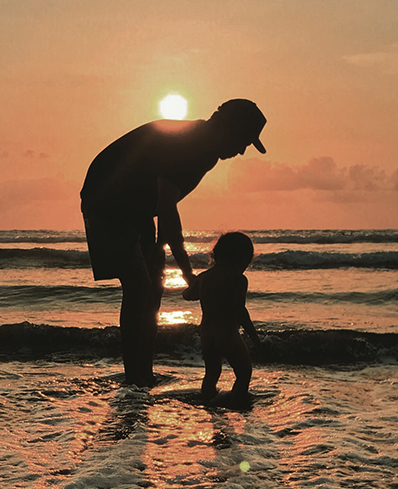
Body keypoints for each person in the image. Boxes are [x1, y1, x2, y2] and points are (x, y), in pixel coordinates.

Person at [80, 98, 267, 386]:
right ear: (227, 128)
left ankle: (145, 373)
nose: (242, 151)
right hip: (106, 200)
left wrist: (160, 249)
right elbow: (167, 208)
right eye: (243, 140)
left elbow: (165, 201)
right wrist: (187, 272)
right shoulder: (189, 143)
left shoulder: (207, 154)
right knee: (138, 285)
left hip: (138, 208)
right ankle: (133, 379)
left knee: (154, 284)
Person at [182, 232, 259, 405]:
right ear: (242, 258)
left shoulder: (204, 277)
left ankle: (208, 403)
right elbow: (239, 310)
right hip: (228, 334)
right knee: (244, 372)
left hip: (207, 334)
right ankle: (237, 402)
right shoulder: (238, 279)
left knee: (211, 373)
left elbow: (188, 295)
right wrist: (254, 337)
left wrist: (192, 281)